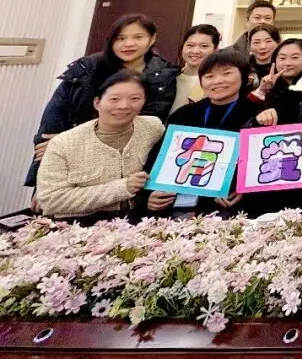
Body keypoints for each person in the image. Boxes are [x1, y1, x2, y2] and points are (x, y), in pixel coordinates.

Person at [27, 14, 178, 189]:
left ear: (152, 39)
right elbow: (52, 122)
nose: (128, 44)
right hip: (71, 170)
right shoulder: (87, 67)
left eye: (138, 37)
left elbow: (141, 127)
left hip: (127, 169)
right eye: (120, 38)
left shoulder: (164, 76)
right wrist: (42, 186)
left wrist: (69, 143)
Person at [145, 49, 261, 216]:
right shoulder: (184, 114)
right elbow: (158, 159)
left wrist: (243, 189)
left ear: (244, 76)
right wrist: (151, 194)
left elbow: (261, 166)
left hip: (230, 209)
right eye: (209, 76)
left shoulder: (257, 114)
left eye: (226, 73)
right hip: (179, 207)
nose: (217, 81)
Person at [36, 71, 164, 220]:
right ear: (97, 102)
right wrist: (122, 188)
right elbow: (50, 200)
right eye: (114, 99)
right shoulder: (63, 143)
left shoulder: (153, 128)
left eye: (135, 99)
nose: (124, 106)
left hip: (140, 222)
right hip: (80, 225)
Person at [169, 24, 221, 115]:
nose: (195, 51)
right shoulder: (167, 78)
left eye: (204, 46)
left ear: (215, 50)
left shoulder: (217, 84)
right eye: (190, 45)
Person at [251, 37, 302, 103]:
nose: (288, 63)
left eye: (295, 57)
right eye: (282, 58)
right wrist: (262, 91)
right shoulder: (265, 84)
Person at [246, 24, 281, 90]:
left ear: (278, 43)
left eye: (268, 41)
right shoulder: (241, 67)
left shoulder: (284, 67)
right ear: (249, 45)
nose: (262, 47)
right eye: (256, 42)